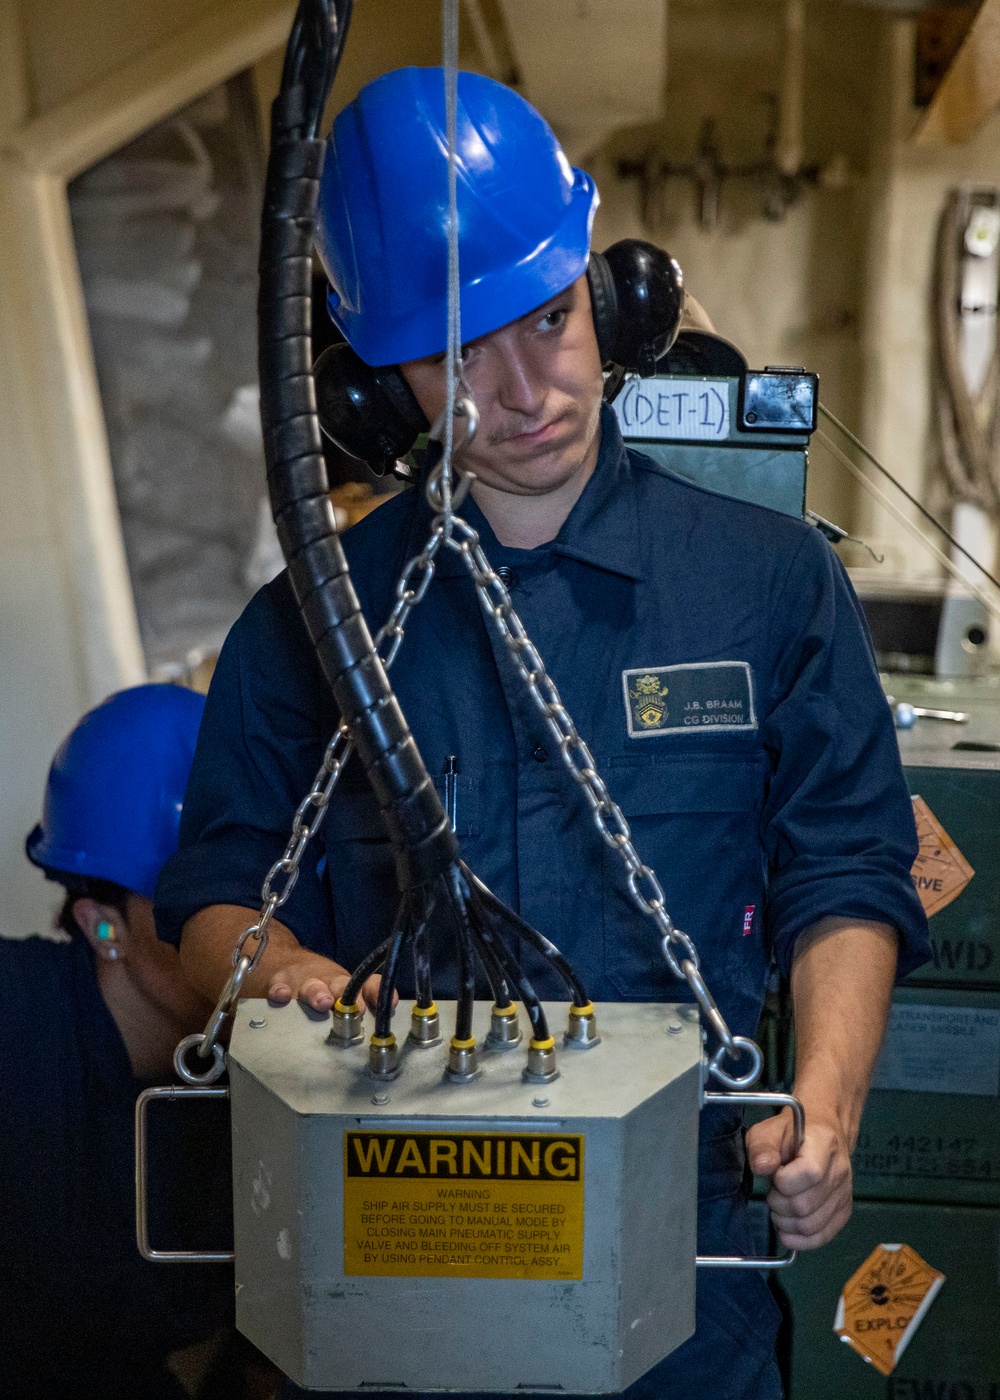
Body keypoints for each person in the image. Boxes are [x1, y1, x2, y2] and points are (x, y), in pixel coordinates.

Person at [155, 68, 930, 1399]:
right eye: (461, 353)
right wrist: (291, 980)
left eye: (551, 319)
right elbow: (215, 903)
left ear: (603, 291)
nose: (526, 388)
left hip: (689, 1268)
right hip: (405, 1246)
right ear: (375, 376)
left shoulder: (767, 585)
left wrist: (828, 1099)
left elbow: (847, 871)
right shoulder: (310, 630)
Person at [0, 685, 240, 1400]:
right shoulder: (17, 1023)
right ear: (101, 925)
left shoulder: (259, 1090)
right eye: (198, 911)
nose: (240, 943)